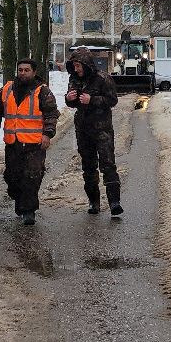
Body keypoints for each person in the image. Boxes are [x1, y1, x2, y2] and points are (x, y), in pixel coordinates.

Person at [0, 59, 58, 225]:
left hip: (34, 144)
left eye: (26, 70)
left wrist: (47, 134)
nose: (23, 73)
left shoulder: (42, 91)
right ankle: (20, 202)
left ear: (34, 72)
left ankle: (29, 211)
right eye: (20, 70)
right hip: (13, 143)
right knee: (13, 177)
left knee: (31, 177)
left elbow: (51, 115)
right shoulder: (7, 89)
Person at [64, 49, 122, 217]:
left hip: (102, 130)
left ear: (86, 64)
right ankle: (93, 202)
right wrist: (69, 99)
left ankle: (114, 203)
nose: (76, 69)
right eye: (73, 66)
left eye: (78, 66)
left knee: (108, 165)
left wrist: (93, 100)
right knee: (88, 167)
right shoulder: (74, 79)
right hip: (83, 130)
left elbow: (112, 100)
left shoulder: (103, 78)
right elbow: (73, 104)